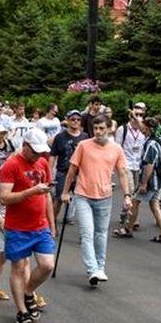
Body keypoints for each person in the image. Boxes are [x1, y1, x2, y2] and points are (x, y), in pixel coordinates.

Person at [61, 115, 133, 286]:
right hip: (83, 194)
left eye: (101, 128)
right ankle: (92, 270)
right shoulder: (83, 146)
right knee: (87, 233)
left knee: (100, 234)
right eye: (95, 128)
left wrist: (127, 196)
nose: (98, 132)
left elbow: (122, 173)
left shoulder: (116, 149)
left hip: (104, 196)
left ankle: (100, 267)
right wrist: (65, 192)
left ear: (109, 129)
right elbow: (72, 171)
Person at [0, 129, 57, 323]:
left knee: (47, 265)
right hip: (17, 227)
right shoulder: (11, 165)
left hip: (40, 225)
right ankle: (22, 311)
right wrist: (31, 191)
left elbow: (48, 195)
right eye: (35, 151)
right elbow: (4, 198)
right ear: (24, 145)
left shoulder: (42, 163)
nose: (38, 156)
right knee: (18, 267)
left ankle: (28, 291)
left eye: (41, 152)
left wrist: (52, 222)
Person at [113, 104, 148, 236]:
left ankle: (124, 212)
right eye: (135, 115)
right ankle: (133, 219)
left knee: (134, 191)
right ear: (130, 116)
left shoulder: (143, 130)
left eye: (140, 115)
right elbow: (117, 147)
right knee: (131, 191)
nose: (137, 118)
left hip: (138, 164)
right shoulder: (123, 129)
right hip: (126, 163)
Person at [50, 110, 89, 221]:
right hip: (63, 172)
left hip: (79, 174)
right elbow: (53, 156)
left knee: (83, 200)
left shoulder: (85, 136)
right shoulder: (60, 137)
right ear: (67, 120)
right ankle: (52, 224)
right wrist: (49, 173)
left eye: (78, 119)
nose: (75, 121)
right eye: (72, 119)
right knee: (59, 199)